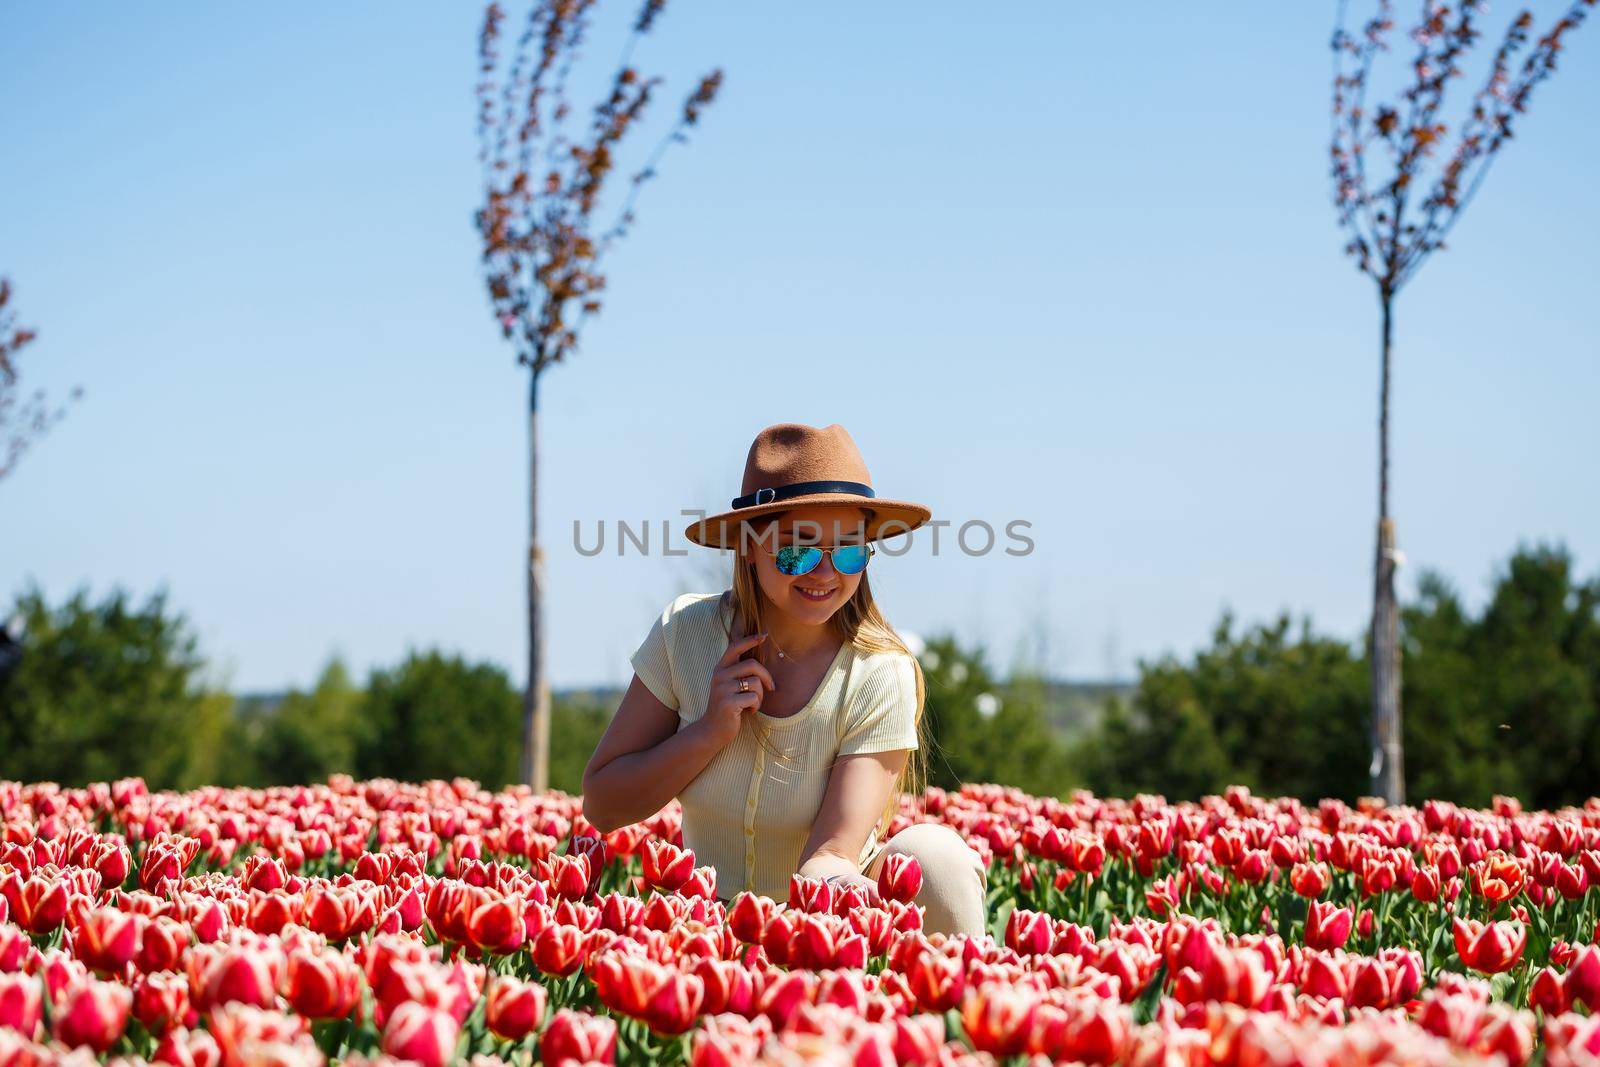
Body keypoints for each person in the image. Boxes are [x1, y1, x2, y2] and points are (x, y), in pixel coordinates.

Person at [582, 422, 988, 937]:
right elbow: (603, 805)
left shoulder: (880, 670)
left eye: (848, 551)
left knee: (934, 855)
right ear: (748, 548)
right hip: (705, 930)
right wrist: (709, 732)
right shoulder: (685, 636)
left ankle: (964, 999)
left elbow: (832, 856)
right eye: (796, 550)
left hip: (829, 926)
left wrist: (804, 942)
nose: (823, 572)